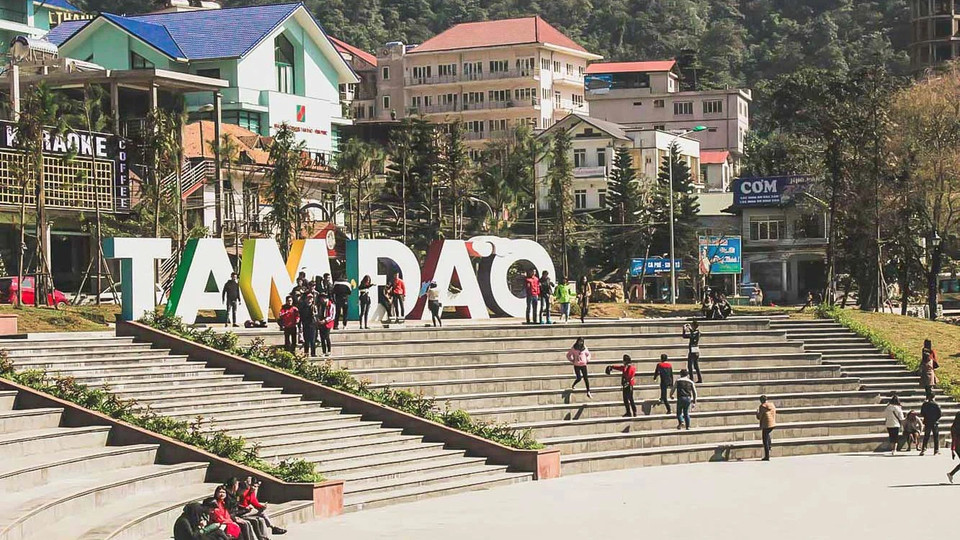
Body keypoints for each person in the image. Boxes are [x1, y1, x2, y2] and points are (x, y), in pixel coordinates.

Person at [756, 395, 776, 460]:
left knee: (765, 440)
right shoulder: (772, 405)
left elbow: (759, 417)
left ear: (761, 400)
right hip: (772, 424)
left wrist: (757, 413)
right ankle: (769, 445)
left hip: (766, 425)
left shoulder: (762, 406)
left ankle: (767, 456)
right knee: (767, 434)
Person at [317, 291, 335, 356]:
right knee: (322, 338)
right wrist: (319, 320)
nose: (322, 299)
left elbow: (332, 316)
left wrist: (325, 320)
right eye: (321, 298)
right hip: (321, 323)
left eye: (323, 298)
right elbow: (319, 314)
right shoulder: (320, 305)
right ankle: (324, 351)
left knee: (327, 337)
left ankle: (329, 351)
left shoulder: (331, 305)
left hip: (328, 323)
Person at [300, 293, 318, 358]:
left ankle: (313, 353)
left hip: (312, 325)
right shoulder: (303, 307)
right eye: (308, 298)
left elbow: (317, 315)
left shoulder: (314, 307)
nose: (309, 299)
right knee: (306, 340)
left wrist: (314, 314)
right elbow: (301, 316)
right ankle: (306, 353)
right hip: (306, 325)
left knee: (312, 340)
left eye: (311, 298)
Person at [947, 412, 960, 483]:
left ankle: (951, 474)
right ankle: (951, 474)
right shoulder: (956, 428)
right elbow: (954, 438)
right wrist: (953, 449)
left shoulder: (954, 426)